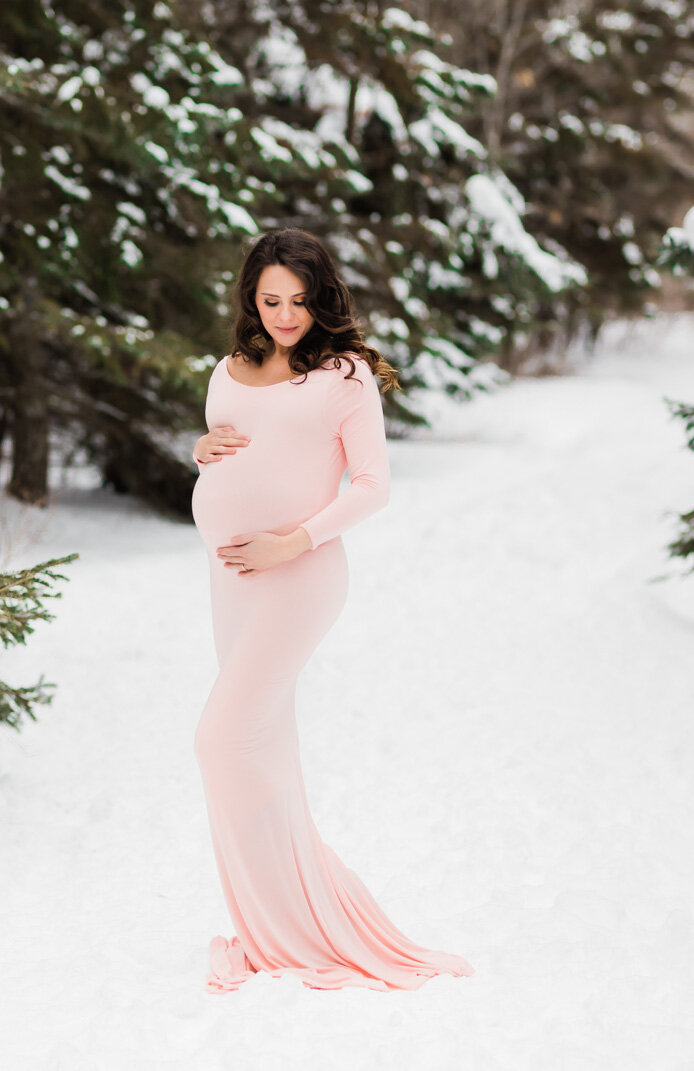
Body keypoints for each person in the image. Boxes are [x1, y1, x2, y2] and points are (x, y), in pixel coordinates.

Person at [189, 227, 473, 992]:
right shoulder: (227, 370)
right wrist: (201, 453)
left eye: (301, 301)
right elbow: (232, 444)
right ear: (251, 295)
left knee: (221, 739)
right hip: (232, 580)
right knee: (263, 748)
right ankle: (275, 922)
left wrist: (295, 542)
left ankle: (295, 922)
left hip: (300, 577)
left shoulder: (344, 375)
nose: (285, 315)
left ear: (323, 297)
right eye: (271, 299)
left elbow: (372, 485)